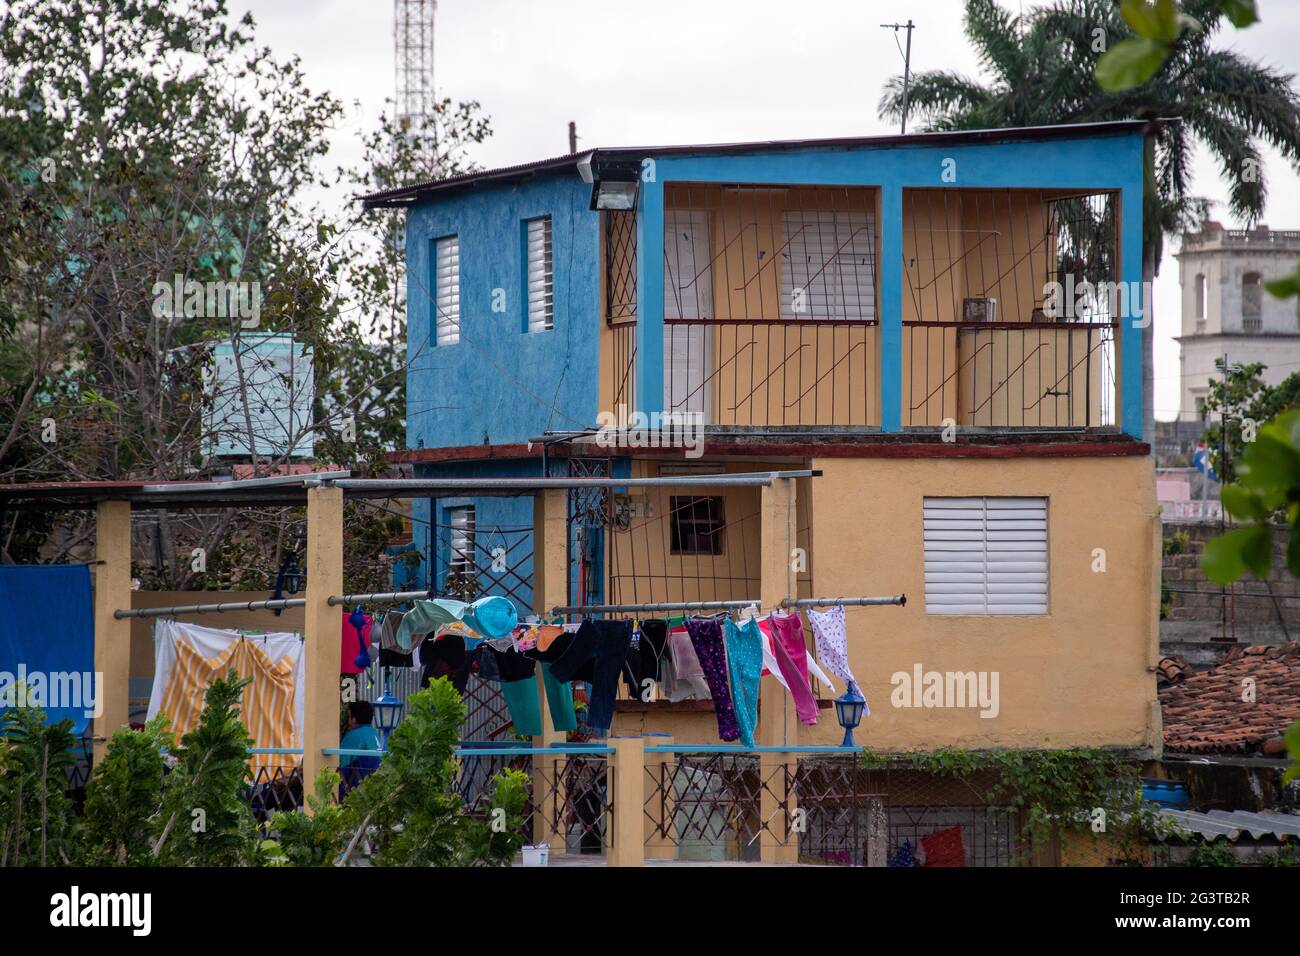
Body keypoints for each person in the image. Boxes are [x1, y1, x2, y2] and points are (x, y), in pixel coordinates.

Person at [338, 701, 382, 793]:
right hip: (373, 785)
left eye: (349, 717)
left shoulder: (353, 735)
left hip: (354, 787)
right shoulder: (373, 733)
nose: (348, 722)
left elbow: (339, 762)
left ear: (354, 719)